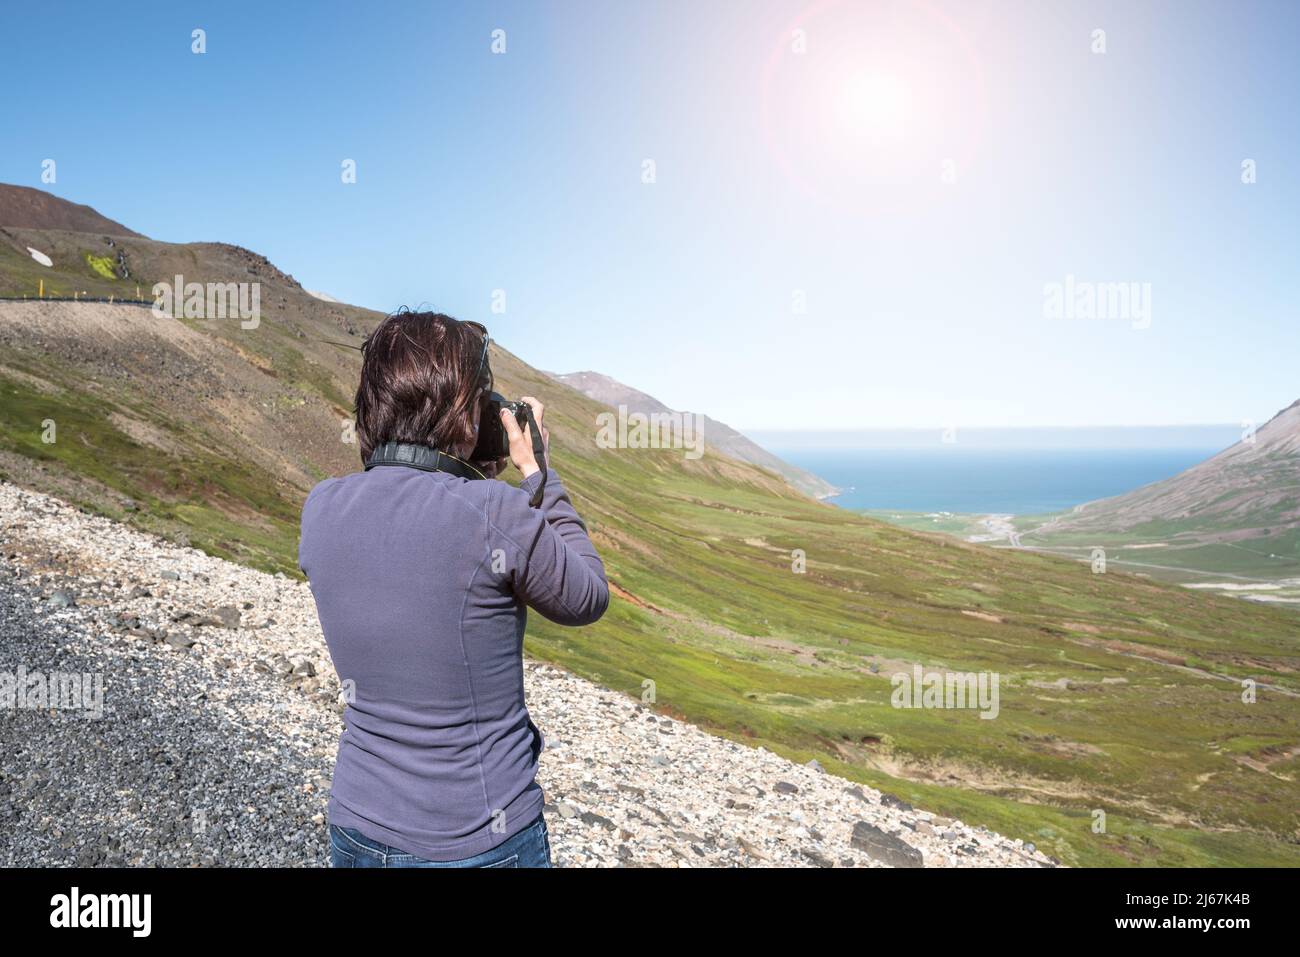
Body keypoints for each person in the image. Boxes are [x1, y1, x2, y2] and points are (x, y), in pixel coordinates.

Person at [299, 308, 609, 868]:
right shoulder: (498, 510)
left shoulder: (322, 507)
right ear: (466, 414)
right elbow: (586, 596)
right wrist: (540, 475)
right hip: (480, 839)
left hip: (357, 825)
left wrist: (465, 471)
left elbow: (419, 541)